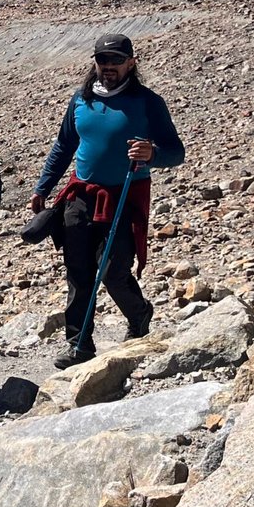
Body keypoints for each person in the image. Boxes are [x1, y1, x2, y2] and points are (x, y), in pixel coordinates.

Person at [29, 33, 185, 368]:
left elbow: (176, 153)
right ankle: (79, 344)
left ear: (132, 62)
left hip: (124, 198)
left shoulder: (148, 102)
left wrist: (152, 154)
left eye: (116, 60)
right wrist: (43, 188)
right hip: (80, 197)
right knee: (79, 272)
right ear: (95, 63)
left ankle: (139, 313)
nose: (109, 67)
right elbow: (63, 146)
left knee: (114, 272)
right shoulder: (81, 100)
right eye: (103, 60)